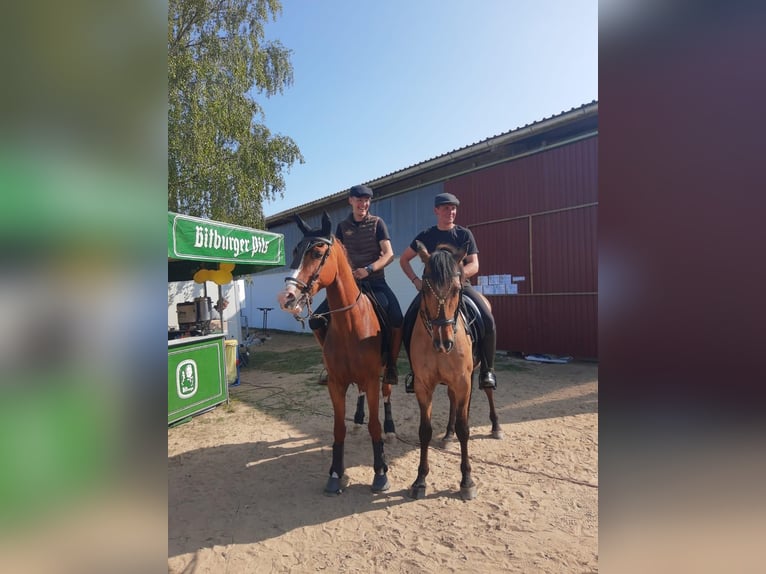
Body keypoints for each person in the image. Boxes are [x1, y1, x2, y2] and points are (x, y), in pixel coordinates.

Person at [399, 192, 497, 391]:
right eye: (446, 208)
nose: (450, 212)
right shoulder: (426, 236)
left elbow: (474, 265)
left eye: (453, 208)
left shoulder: (464, 235)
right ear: (436, 211)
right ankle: (414, 371)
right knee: (408, 320)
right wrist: (416, 280)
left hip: (458, 287)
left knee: (487, 318)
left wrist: (457, 279)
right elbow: (404, 259)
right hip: (432, 291)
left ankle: (487, 369)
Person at [309, 184, 403, 385]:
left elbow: (389, 254)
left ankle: (391, 366)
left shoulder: (378, 223)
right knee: (315, 321)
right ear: (350, 201)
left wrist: (368, 269)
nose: (363, 204)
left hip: (376, 282)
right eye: (359, 200)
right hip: (350, 287)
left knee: (396, 318)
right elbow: (337, 257)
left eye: (367, 200)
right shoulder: (342, 228)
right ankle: (330, 362)